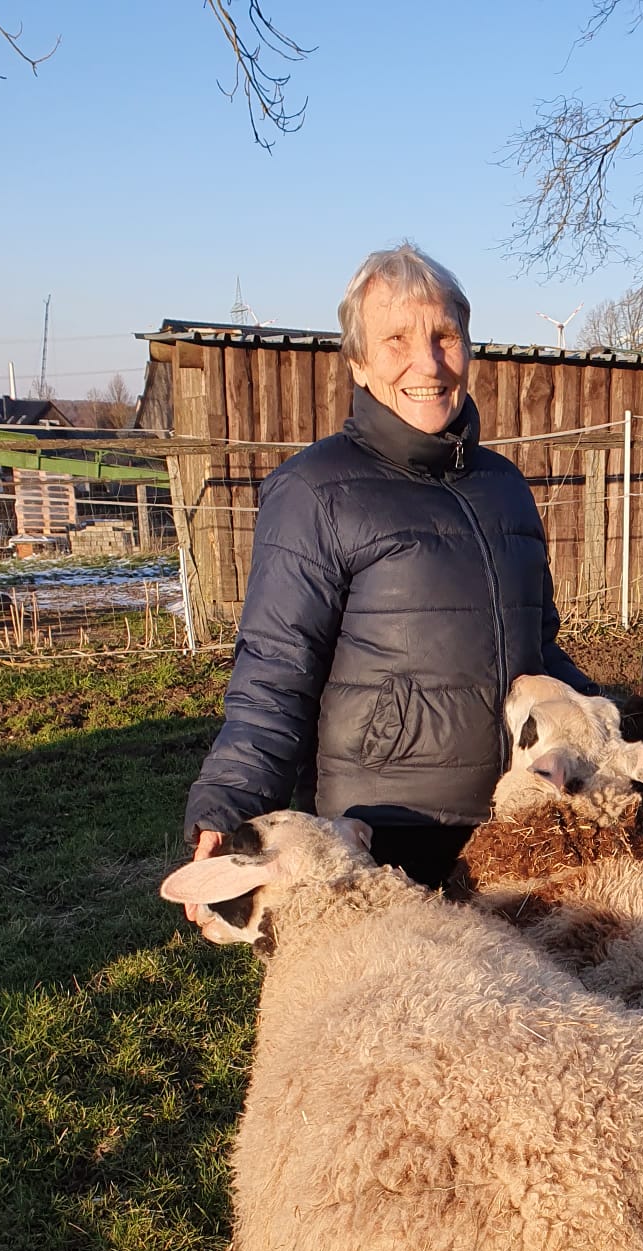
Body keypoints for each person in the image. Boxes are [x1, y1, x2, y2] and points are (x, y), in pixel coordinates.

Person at [183, 244, 595, 894]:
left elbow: (539, 653)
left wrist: (620, 728)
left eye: (444, 336)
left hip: (513, 827)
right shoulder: (316, 492)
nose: (427, 363)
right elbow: (274, 675)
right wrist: (228, 803)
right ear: (359, 361)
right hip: (379, 840)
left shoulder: (504, 488)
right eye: (396, 339)